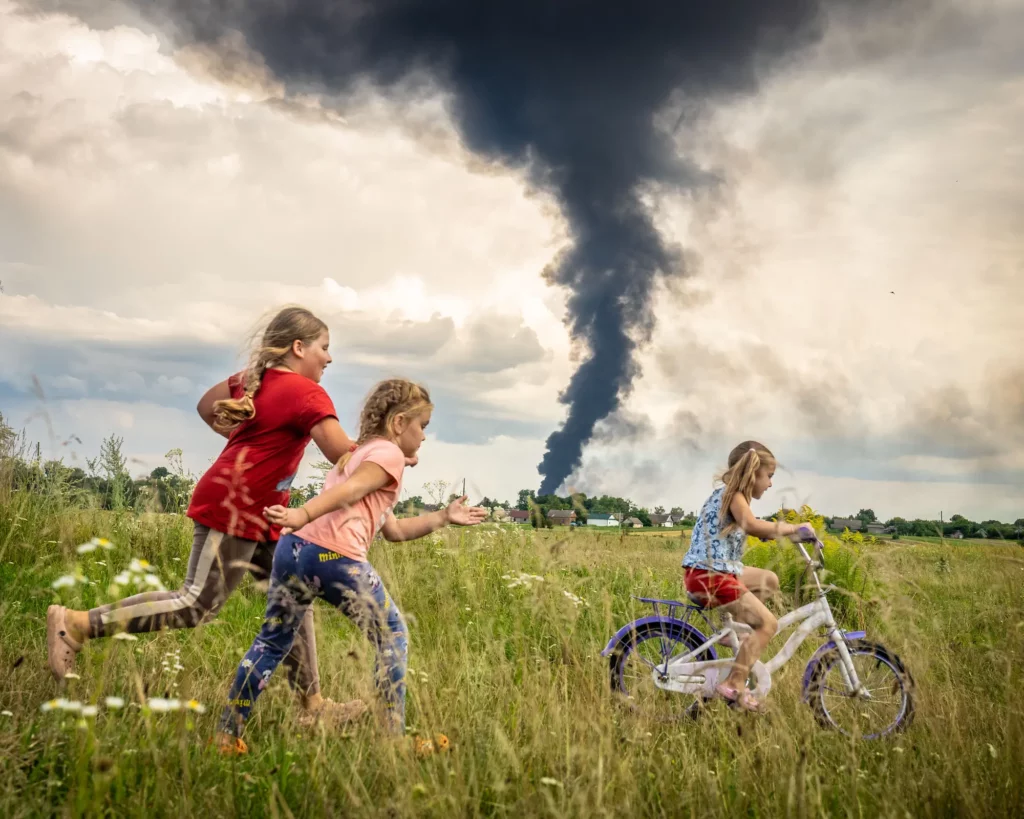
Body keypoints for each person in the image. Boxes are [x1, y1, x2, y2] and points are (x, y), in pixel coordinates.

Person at [47, 306, 370, 720]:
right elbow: (341, 454)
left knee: (294, 597)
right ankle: (76, 624)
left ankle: (312, 705)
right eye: (324, 348)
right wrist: (389, 451)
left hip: (266, 515)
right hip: (232, 508)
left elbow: (206, 405)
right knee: (195, 604)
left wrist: (243, 441)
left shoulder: (257, 381)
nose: (328, 358)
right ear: (298, 347)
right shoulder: (308, 393)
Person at [214, 378, 486, 754]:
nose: (423, 438)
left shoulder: (359, 455)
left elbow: (393, 530)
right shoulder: (386, 456)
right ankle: (393, 742)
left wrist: (444, 515)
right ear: (398, 423)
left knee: (273, 640)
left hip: (294, 549)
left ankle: (228, 734)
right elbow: (353, 491)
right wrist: (302, 511)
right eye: (422, 427)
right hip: (333, 556)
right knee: (393, 635)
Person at [681, 441, 816, 712]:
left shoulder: (728, 495)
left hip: (713, 571)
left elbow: (746, 526)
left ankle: (732, 632)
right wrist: (794, 528)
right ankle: (735, 684)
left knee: (769, 580)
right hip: (711, 576)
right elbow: (751, 524)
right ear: (753, 472)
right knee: (768, 624)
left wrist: (770, 532)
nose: (769, 484)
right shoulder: (734, 495)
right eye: (769, 477)